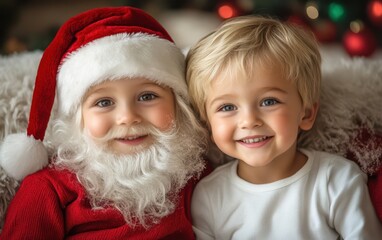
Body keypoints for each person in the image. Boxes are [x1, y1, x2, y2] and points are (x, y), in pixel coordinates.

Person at [0, 6, 209, 239]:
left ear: (177, 104)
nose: (127, 117)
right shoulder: (47, 190)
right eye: (104, 102)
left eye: (147, 96)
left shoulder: (193, 174)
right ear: (77, 118)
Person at [186, 15, 382, 239]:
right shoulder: (209, 196)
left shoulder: (337, 180)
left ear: (306, 113)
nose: (249, 121)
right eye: (227, 107)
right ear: (207, 123)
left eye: (269, 101)